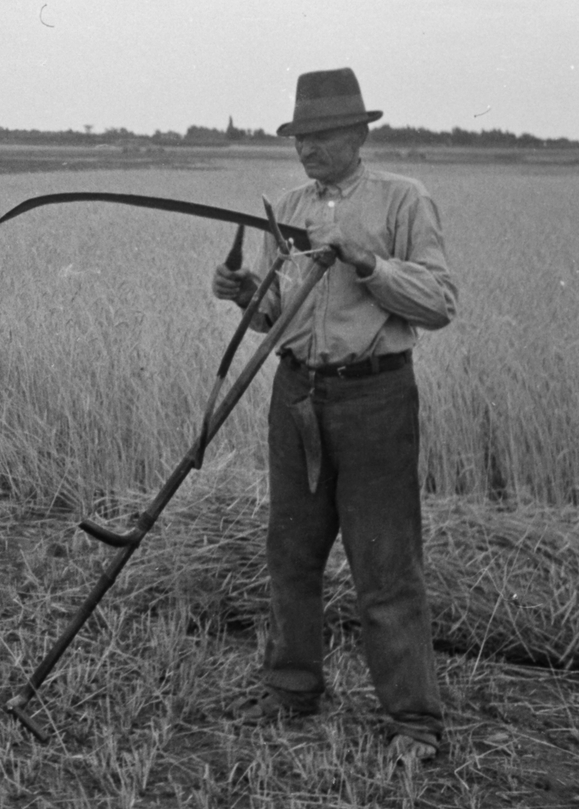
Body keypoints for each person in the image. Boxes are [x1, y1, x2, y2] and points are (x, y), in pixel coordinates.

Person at [212, 68, 458, 762]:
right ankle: (292, 688)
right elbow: (275, 315)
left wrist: (370, 265)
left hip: (375, 398)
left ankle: (413, 720)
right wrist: (241, 297)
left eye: (321, 137)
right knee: (291, 552)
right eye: (300, 137)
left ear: (357, 135)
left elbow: (439, 301)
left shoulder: (401, 201)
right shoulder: (286, 207)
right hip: (296, 396)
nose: (307, 150)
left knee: (385, 564)